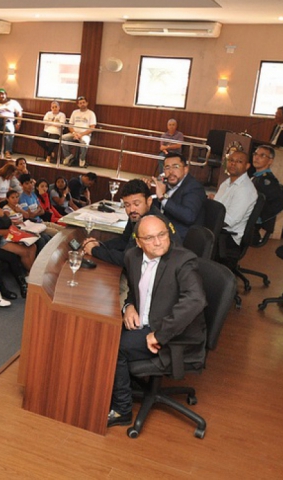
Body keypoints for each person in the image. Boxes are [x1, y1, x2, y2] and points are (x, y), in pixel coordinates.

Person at [108, 215, 206, 427]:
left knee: (114, 347)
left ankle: (122, 409)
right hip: (144, 321)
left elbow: (196, 300)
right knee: (104, 333)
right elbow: (134, 291)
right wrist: (129, 307)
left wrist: (160, 334)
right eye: (150, 238)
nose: (159, 242)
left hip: (173, 332)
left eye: (162, 235)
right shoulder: (132, 257)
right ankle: (121, 381)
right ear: (138, 241)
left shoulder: (184, 260)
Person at [83, 179, 163, 267]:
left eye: (136, 204)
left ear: (149, 201)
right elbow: (124, 240)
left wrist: (95, 250)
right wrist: (100, 244)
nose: (132, 209)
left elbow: (129, 259)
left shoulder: (152, 224)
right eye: (127, 205)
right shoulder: (137, 215)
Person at [144, 152, 206, 242]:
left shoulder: (194, 187)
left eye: (176, 167)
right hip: (162, 235)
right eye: (167, 168)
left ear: (185, 169)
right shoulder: (168, 185)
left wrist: (163, 197)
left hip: (181, 240)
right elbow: (157, 211)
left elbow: (189, 216)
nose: (171, 171)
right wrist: (145, 192)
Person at [213, 148, 257, 254]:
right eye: (231, 160)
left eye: (239, 161)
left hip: (226, 237)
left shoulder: (245, 189)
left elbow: (228, 221)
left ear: (247, 166)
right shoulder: (226, 182)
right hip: (217, 229)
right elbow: (216, 207)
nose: (233, 164)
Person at [0, 193, 37, 271]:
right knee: (25, 252)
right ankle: (32, 274)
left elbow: (8, 222)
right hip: (1, 240)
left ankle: (31, 271)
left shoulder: (0, 210)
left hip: (12, 235)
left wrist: (16, 225)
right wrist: (11, 231)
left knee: (32, 247)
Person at [250, 145, 283, 237]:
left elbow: (281, 200)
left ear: (270, 161)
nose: (256, 157)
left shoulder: (267, 181)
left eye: (262, 155)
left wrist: (260, 218)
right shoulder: (256, 177)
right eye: (255, 154)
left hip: (251, 227)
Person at [61, 96, 97, 168]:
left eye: (83, 102)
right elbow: (70, 125)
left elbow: (92, 128)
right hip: (74, 133)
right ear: (78, 105)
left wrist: (81, 134)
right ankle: (68, 156)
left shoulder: (91, 113)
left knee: (85, 142)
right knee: (63, 138)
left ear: (87, 103)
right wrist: (74, 133)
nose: (82, 104)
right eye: (80, 103)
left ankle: (82, 159)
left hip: (85, 134)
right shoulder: (75, 112)